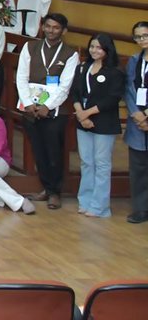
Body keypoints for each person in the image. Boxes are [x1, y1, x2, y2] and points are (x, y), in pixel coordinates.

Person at [15, 11, 79, 209]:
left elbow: (65, 86)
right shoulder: (30, 46)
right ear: (42, 27)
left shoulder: (70, 53)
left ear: (64, 31)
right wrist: (29, 103)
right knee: (38, 150)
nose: (51, 30)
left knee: (54, 152)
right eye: (48, 26)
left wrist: (47, 106)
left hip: (55, 111)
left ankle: (55, 192)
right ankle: (46, 187)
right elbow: (21, 77)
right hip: (30, 108)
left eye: (56, 28)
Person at [71, 33, 125, 218]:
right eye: (92, 46)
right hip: (83, 121)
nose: (95, 50)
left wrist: (88, 112)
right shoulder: (83, 68)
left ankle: (99, 206)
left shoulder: (115, 72)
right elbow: (75, 92)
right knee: (87, 162)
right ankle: (85, 201)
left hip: (104, 122)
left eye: (99, 47)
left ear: (107, 50)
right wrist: (80, 113)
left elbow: (112, 98)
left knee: (101, 163)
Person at [127, 21, 148, 224]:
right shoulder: (135, 60)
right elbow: (129, 88)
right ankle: (140, 209)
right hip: (137, 120)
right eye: (138, 37)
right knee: (138, 166)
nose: (142, 40)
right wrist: (136, 113)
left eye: (145, 35)